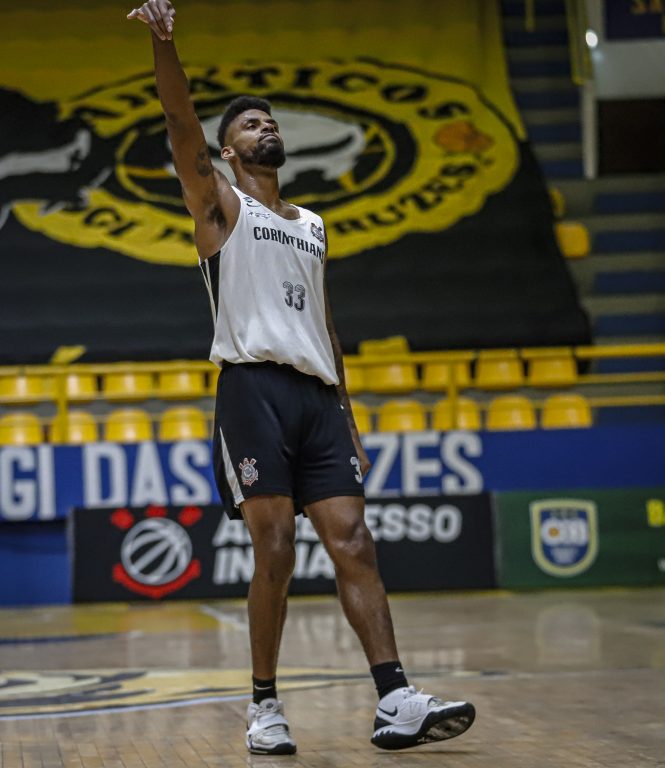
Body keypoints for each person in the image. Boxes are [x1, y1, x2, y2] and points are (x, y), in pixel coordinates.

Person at [128, 0, 476, 755]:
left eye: (271, 121)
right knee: (277, 547)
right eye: (251, 125)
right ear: (227, 150)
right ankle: (264, 706)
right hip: (252, 390)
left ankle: (396, 699)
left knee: (356, 541)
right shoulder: (219, 208)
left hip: (318, 398)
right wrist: (164, 45)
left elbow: (326, 325)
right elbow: (180, 122)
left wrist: (348, 414)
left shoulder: (313, 224)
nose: (267, 128)